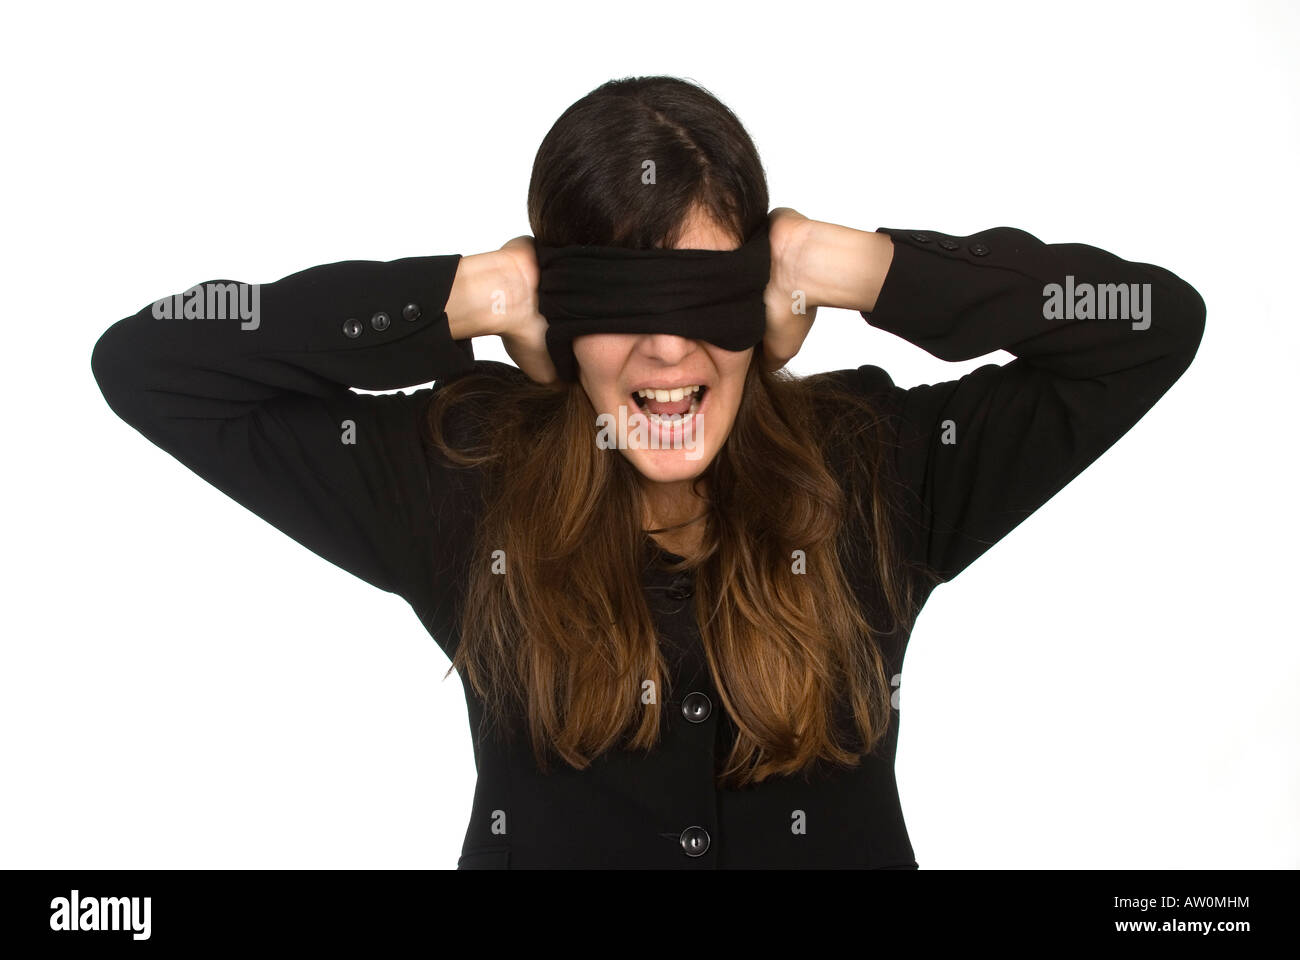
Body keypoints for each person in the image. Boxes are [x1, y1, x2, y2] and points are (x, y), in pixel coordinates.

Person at [90, 76, 1206, 868]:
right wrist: (459, 298)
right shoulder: (455, 480)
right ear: (556, 312)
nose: (668, 352)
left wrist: (863, 267)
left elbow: (1147, 325)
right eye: (619, 304)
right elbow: (152, 362)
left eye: (704, 297)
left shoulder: (883, 467)